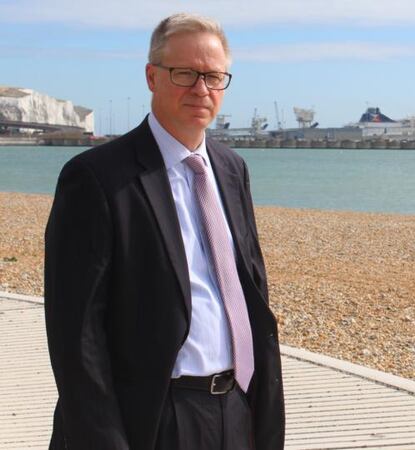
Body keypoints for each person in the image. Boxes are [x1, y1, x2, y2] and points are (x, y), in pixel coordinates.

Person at [44, 13, 284, 449]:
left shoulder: (231, 169)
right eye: (185, 73)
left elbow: (249, 290)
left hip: (236, 409)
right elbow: (76, 337)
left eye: (213, 76)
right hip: (153, 418)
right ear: (152, 76)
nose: (201, 89)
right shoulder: (96, 177)